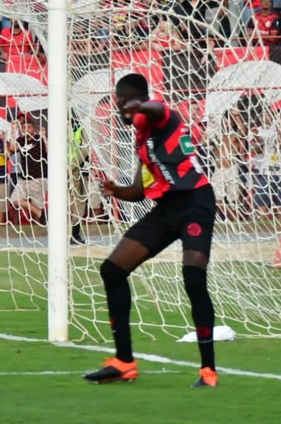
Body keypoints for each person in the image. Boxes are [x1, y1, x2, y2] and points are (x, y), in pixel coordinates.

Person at [85, 73, 217, 388]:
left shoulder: (162, 117)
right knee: (112, 270)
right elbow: (139, 190)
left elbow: (156, 108)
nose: (118, 108)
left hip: (197, 200)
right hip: (168, 209)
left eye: (119, 101)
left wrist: (137, 105)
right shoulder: (143, 141)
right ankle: (124, 362)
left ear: (132, 99)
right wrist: (116, 191)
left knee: (193, 278)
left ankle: (208, 370)